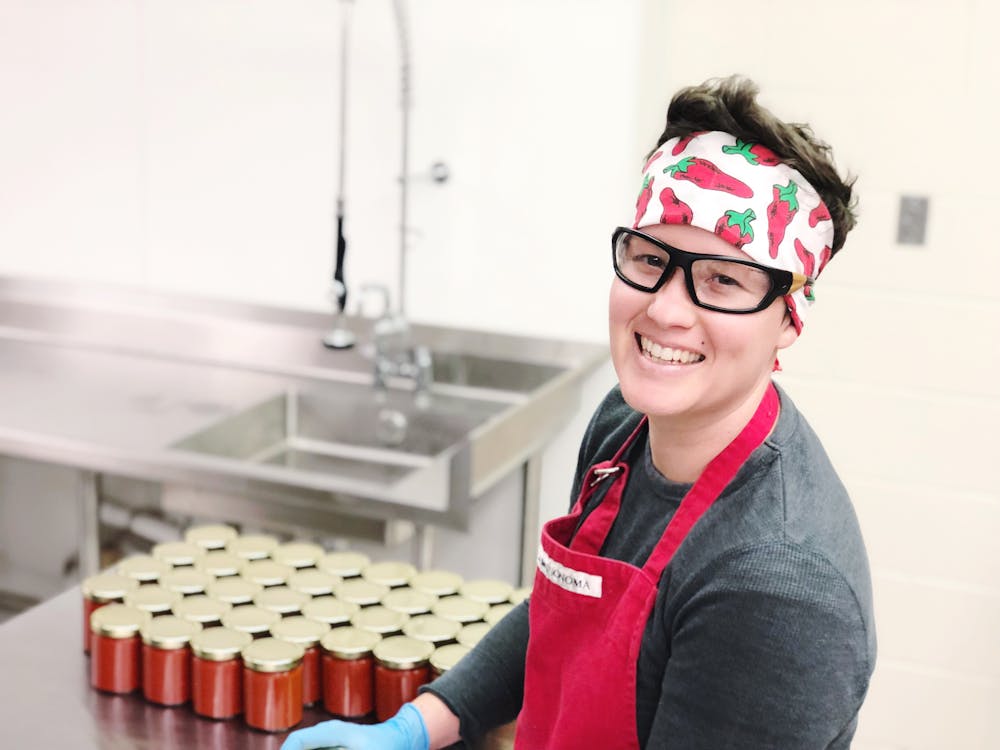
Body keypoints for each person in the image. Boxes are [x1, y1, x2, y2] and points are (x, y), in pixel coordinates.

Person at [281, 75, 876, 750]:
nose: (667, 309)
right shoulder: (625, 426)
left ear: (788, 319)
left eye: (723, 280)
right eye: (652, 259)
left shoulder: (777, 588)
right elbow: (565, 613)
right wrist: (418, 726)